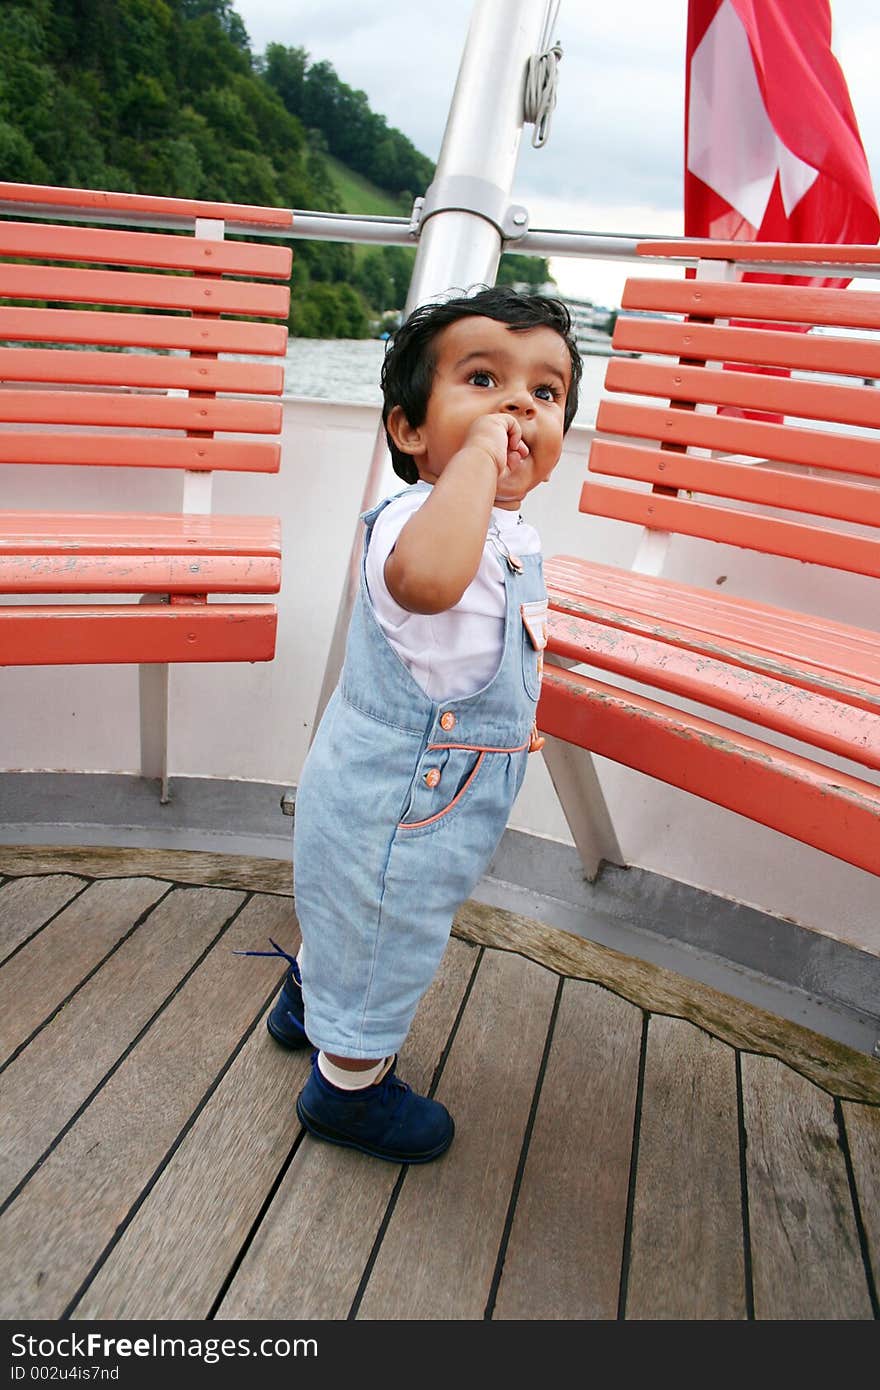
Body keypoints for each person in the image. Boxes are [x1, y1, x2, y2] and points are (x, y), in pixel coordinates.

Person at [246, 285, 582, 1165]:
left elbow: (476, 651)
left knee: (355, 909)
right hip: (408, 798)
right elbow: (430, 586)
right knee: (390, 930)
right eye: (483, 380)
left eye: (545, 394)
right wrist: (472, 463)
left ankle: (309, 1001)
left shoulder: (510, 531)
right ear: (407, 429)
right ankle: (346, 1090)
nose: (518, 406)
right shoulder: (418, 521)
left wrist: (512, 724)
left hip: (429, 773)